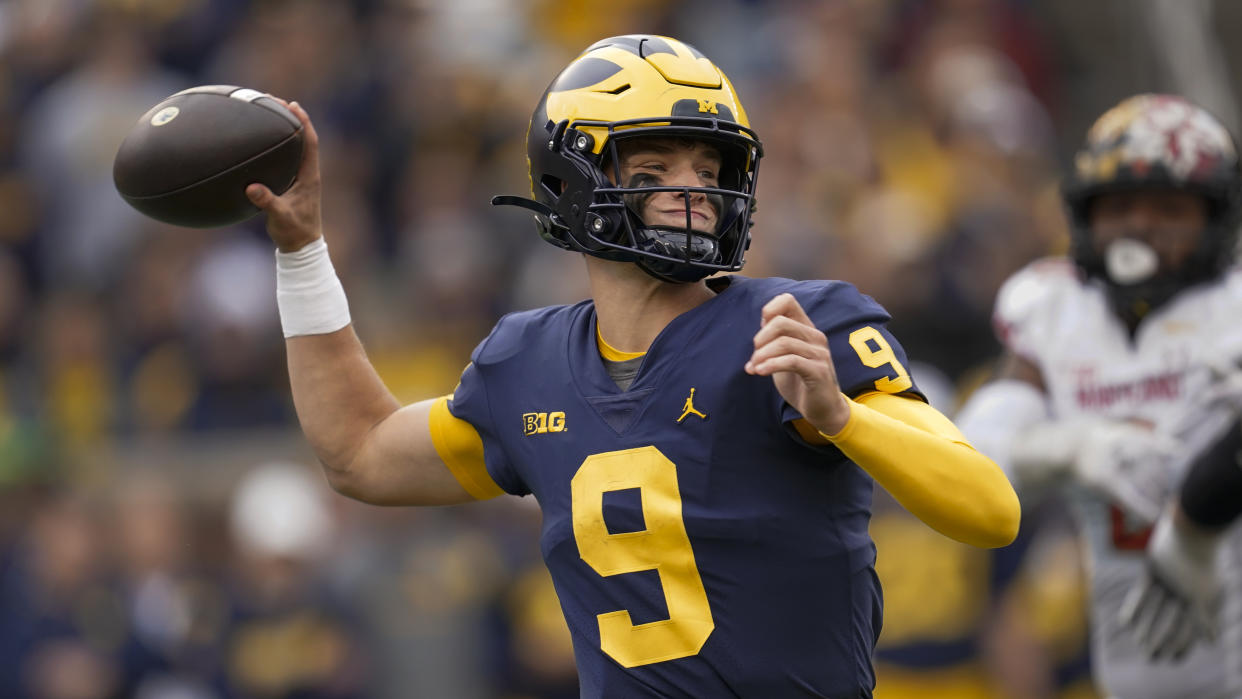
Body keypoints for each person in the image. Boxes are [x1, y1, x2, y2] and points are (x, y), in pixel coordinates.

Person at [244, 34, 1019, 697]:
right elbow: (360, 453)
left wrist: (843, 417)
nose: (696, 194)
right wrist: (303, 254)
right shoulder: (526, 364)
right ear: (571, 183)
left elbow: (989, 509)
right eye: (654, 173)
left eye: (708, 170)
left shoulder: (794, 326)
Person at [955, 93, 1242, 699]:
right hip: (1130, 664)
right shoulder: (1056, 309)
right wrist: (1069, 446)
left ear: (1214, 217)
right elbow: (973, 463)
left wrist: (1196, 526)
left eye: (1168, 207)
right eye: (1120, 205)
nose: (1140, 226)